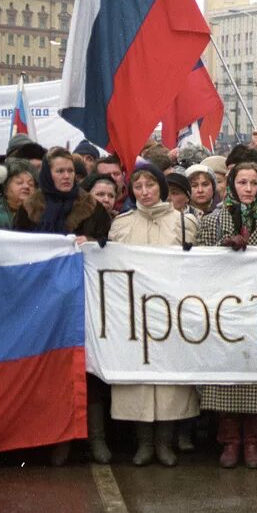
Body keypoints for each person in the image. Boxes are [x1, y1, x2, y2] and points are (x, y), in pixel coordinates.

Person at [12, 149, 112, 466]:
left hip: (84, 300)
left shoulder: (92, 208)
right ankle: (60, 439)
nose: (66, 176)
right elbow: (18, 253)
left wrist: (93, 245)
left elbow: (109, 246)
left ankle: (95, 439)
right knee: (54, 371)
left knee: (89, 368)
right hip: (46, 304)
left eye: (70, 170)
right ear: (48, 175)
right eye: (59, 171)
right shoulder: (30, 210)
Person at [196, 162, 257, 469]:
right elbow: (197, 267)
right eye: (242, 182)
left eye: (253, 183)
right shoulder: (212, 222)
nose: (247, 189)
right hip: (226, 313)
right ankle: (230, 440)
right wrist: (222, 253)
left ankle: (253, 442)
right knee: (227, 380)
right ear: (232, 185)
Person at [108, 162, 199, 466]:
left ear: (161, 186)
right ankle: (144, 443)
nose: (145, 192)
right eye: (138, 187)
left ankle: (165, 442)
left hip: (171, 315)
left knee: (169, 383)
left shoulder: (184, 223)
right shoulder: (121, 225)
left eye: (150, 185)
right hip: (135, 315)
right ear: (131, 191)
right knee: (139, 382)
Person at [0, 159, 37, 229]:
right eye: (19, 182)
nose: (26, 186)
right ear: (5, 189)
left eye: (31, 184)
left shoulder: (41, 212)